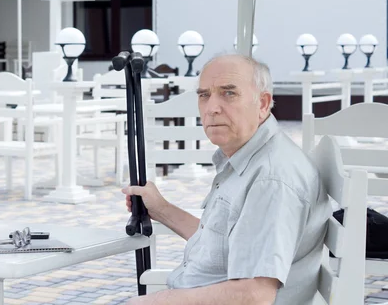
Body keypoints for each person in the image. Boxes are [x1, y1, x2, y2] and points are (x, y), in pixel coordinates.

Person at [123, 54, 332, 305]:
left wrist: (156, 300)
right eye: (204, 95)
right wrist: (162, 209)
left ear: (263, 104)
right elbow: (220, 246)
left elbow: (254, 295)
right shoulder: (250, 157)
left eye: (229, 93)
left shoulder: (271, 179)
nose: (212, 108)